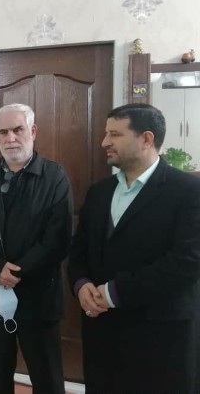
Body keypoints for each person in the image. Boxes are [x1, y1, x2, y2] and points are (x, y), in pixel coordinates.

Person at [68, 103, 200, 393]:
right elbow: (78, 249)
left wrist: (114, 293)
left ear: (146, 139)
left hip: (160, 337)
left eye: (115, 134)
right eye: (106, 133)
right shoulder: (99, 192)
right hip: (102, 333)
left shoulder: (188, 192)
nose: (104, 142)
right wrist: (81, 284)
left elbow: (187, 263)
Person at [0, 103, 72, 394]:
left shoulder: (55, 177)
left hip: (38, 296)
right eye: (3, 132)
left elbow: (57, 239)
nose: (10, 138)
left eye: (18, 130)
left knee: (47, 379)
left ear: (33, 131)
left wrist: (16, 272)